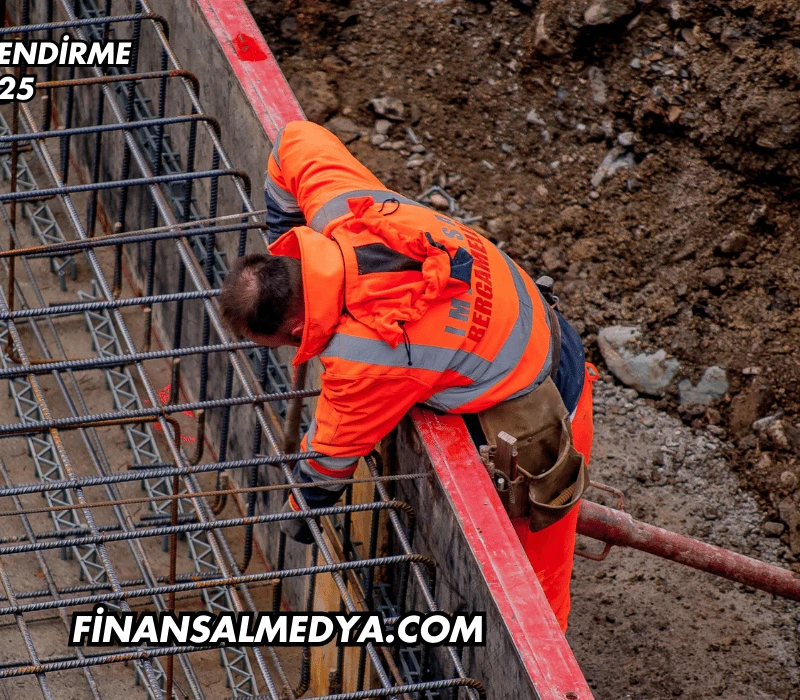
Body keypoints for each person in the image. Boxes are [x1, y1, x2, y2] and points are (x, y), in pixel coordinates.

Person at [217, 120, 598, 630]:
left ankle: (548, 666)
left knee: (534, 590)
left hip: (549, 409)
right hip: (534, 318)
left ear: (297, 328)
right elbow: (293, 141)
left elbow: (329, 460)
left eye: (286, 343)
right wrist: (281, 234)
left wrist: (298, 517)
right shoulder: (345, 209)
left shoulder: (363, 358)